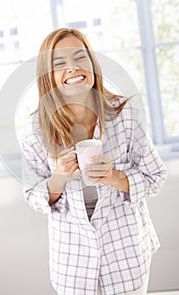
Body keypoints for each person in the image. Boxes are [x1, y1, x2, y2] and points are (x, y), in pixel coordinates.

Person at [21, 27, 167, 295]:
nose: (73, 68)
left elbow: (155, 176)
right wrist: (59, 177)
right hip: (73, 263)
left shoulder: (126, 114)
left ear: (92, 63)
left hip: (127, 253)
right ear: (47, 76)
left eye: (80, 58)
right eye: (59, 63)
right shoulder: (36, 129)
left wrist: (113, 177)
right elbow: (32, 194)